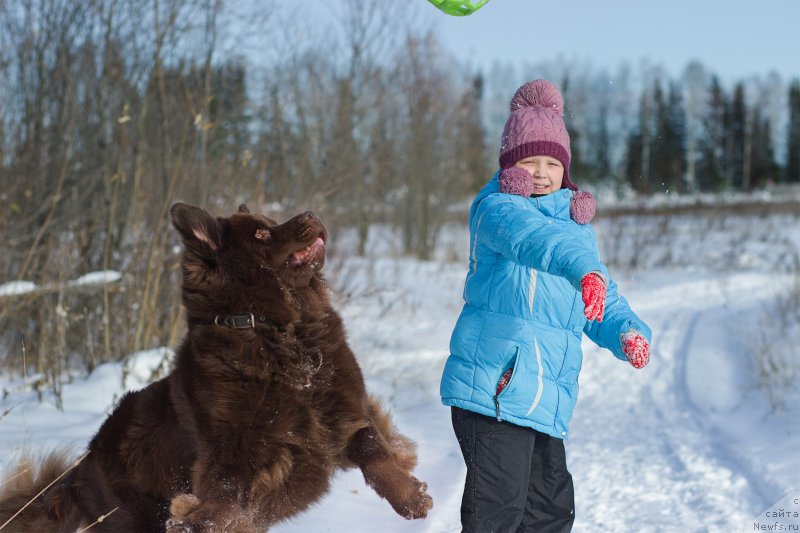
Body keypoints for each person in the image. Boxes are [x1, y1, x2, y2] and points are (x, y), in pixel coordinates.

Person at [439, 79, 652, 533]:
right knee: (498, 514)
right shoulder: (497, 211)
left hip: (545, 400)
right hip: (492, 393)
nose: (540, 172)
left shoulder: (577, 232)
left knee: (550, 514)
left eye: (551, 162)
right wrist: (582, 269)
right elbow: (534, 241)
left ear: (565, 170)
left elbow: (602, 297)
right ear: (509, 167)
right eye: (529, 160)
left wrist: (627, 331)